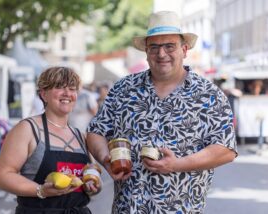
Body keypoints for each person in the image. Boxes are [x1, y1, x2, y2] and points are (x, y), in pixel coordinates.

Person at [87, 11, 237, 213]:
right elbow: (96, 131)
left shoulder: (209, 95)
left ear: (184, 50)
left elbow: (225, 149)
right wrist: (106, 160)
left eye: (169, 46)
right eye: (154, 47)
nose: (161, 54)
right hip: (127, 208)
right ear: (146, 52)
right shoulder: (123, 89)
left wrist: (177, 164)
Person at [0, 66, 101, 214]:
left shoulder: (81, 136)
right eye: (59, 87)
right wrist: (40, 190)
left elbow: (91, 173)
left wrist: (93, 185)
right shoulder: (28, 129)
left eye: (72, 88)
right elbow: (1, 176)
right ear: (43, 94)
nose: (67, 93)